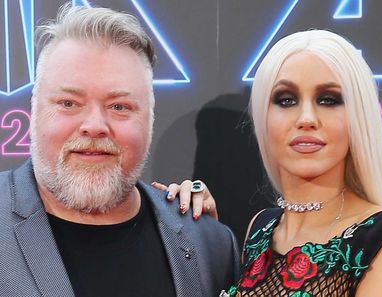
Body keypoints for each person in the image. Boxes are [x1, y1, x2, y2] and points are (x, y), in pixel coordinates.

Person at [0, 4, 240, 297]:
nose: (94, 125)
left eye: (119, 106)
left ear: (150, 119)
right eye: (68, 103)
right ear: (34, 111)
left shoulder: (211, 244)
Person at [153, 29, 382, 296]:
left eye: (328, 100)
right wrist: (206, 238)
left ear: (358, 116)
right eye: (286, 100)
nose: (306, 118)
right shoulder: (261, 228)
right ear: (263, 117)